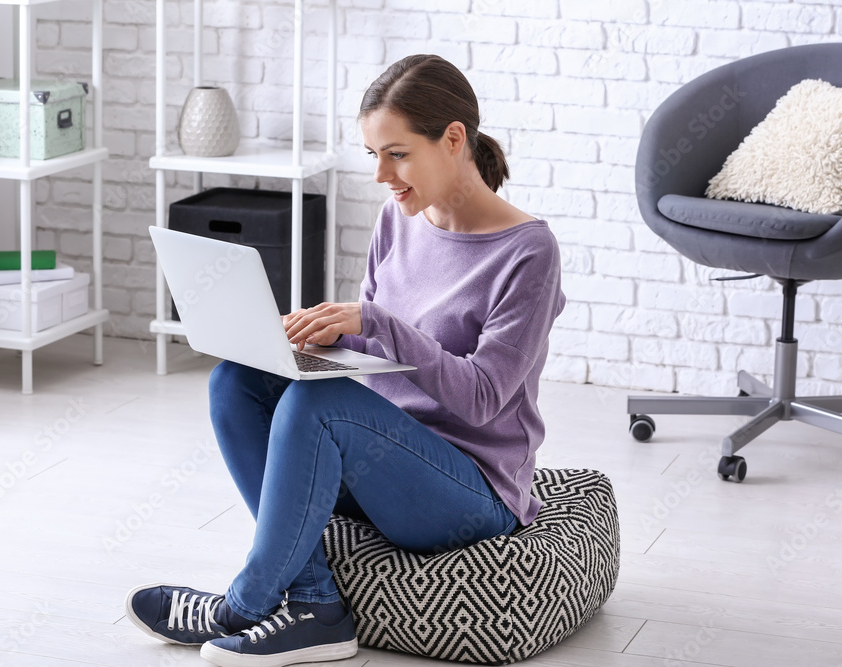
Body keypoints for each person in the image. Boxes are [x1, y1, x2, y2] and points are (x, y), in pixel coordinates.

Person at [125, 53, 566, 667]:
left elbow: (483, 397)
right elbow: (373, 350)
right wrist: (310, 339)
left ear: (453, 139)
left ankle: (242, 606)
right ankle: (314, 605)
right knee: (236, 381)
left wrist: (377, 322)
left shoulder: (528, 252)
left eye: (397, 154)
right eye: (374, 155)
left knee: (319, 403)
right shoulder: (398, 219)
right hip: (381, 464)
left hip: (470, 493)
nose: (382, 174)